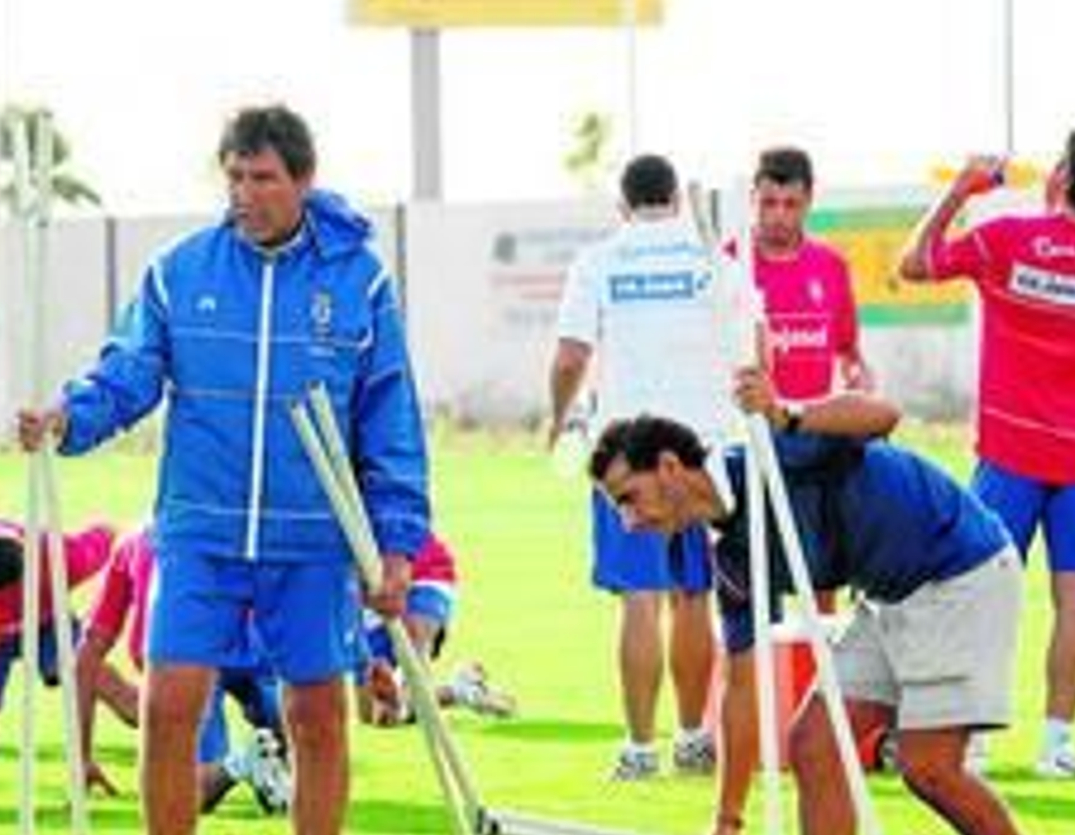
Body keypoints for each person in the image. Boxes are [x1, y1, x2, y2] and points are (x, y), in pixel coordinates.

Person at [18, 104, 429, 835]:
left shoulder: (359, 281)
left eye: (264, 179)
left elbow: (390, 414)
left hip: (312, 536)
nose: (246, 195)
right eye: (234, 178)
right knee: (170, 706)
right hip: (199, 531)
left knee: (317, 716)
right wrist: (67, 416)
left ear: (303, 181)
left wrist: (397, 541)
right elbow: (127, 372)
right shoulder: (181, 273)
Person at [588, 375, 1075, 835]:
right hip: (890, 597)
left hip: (958, 571)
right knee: (813, 744)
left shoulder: (775, 447)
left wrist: (788, 414)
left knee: (929, 766)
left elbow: (884, 412)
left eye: (628, 497)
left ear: (668, 467)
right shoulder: (730, 556)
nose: (628, 521)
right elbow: (741, 687)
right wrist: (726, 822)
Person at [550, 154, 755, 780]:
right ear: (674, 197)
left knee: (639, 598)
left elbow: (569, 357)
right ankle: (694, 739)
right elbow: (754, 341)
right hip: (702, 451)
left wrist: (559, 419)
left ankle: (640, 749)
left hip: (628, 452)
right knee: (694, 595)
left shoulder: (600, 261)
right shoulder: (709, 260)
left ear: (624, 205)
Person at [899, 127, 1075, 780]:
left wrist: (959, 189)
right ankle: (1057, 744)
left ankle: (972, 742)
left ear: (1062, 174)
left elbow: (914, 262)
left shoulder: (1006, 240)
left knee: (978, 595)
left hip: (1011, 450)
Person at [73, 524, 292, 813]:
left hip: (181, 656)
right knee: (295, 733)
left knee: (184, 791)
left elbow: (90, 650)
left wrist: (82, 756)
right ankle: (266, 759)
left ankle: (244, 762)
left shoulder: (134, 543)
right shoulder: (235, 526)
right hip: (245, 648)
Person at [0, 515, 115, 749]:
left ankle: (147, 714)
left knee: (84, 669)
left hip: (47, 624)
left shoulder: (62, 558)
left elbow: (105, 534)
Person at [354, 531, 516, 726]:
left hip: (424, 570)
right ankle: (459, 691)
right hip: (366, 591)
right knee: (374, 716)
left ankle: (404, 696)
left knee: (415, 649)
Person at [749, 147, 871, 402]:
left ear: (808, 202)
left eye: (791, 204)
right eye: (769, 203)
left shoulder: (831, 266)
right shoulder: (730, 264)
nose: (779, 215)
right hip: (748, 430)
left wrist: (859, 377)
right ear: (753, 199)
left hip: (812, 428)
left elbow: (848, 353)